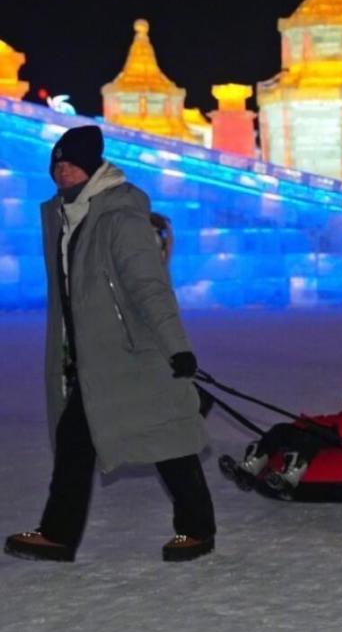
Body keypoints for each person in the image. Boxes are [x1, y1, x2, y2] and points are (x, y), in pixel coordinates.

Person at [4, 125, 216, 564]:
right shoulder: (65, 214)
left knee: (167, 439)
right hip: (94, 356)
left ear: (93, 166)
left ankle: (197, 530)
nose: (63, 172)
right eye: (58, 165)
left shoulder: (118, 216)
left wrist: (176, 347)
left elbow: (149, 287)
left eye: (72, 164)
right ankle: (59, 535)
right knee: (76, 441)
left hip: (134, 352)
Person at [218, 376, 342, 494]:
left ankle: (290, 478)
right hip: (333, 434)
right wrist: (302, 423)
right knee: (280, 430)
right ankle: (251, 467)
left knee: (312, 438)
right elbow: (327, 421)